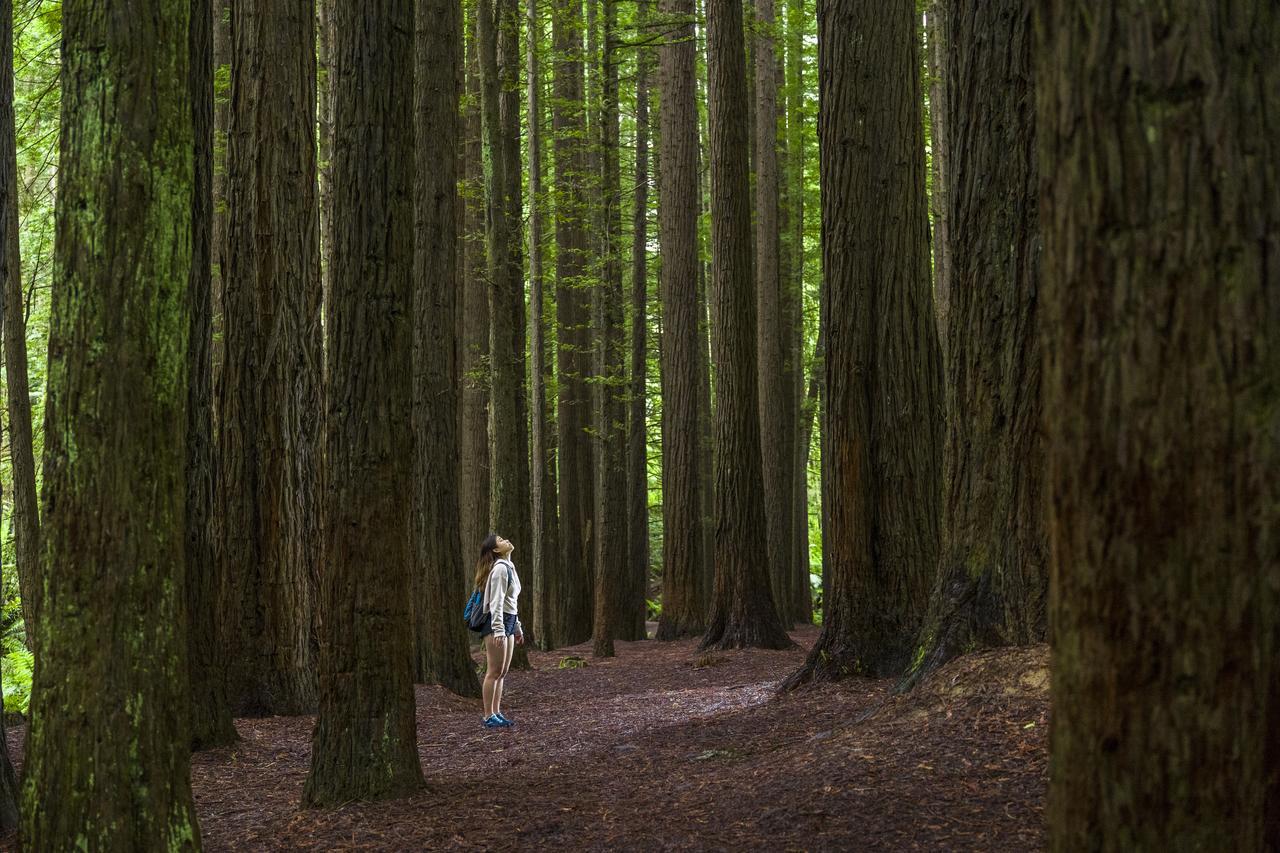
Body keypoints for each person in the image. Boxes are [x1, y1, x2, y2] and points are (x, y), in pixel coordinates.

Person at [475, 532, 523, 728]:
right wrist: (499, 630)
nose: (507, 540)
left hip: (509, 619)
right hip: (498, 621)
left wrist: (517, 627)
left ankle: (496, 712)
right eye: (501, 541)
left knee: (502, 672)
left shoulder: (509, 566)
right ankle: (488, 716)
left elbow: (511, 602)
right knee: (493, 671)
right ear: (496, 550)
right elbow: (496, 603)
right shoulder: (500, 570)